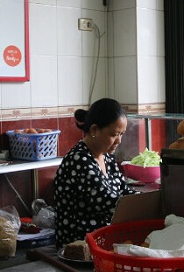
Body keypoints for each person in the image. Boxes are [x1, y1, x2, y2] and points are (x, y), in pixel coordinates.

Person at [54, 98, 136, 249]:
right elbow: (108, 203)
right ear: (94, 130)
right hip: (79, 244)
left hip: (104, 239)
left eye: (122, 134)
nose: (119, 140)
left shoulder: (106, 156)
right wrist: (142, 205)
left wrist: (146, 198)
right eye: (114, 134)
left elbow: (123, 190)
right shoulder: (79, 160)